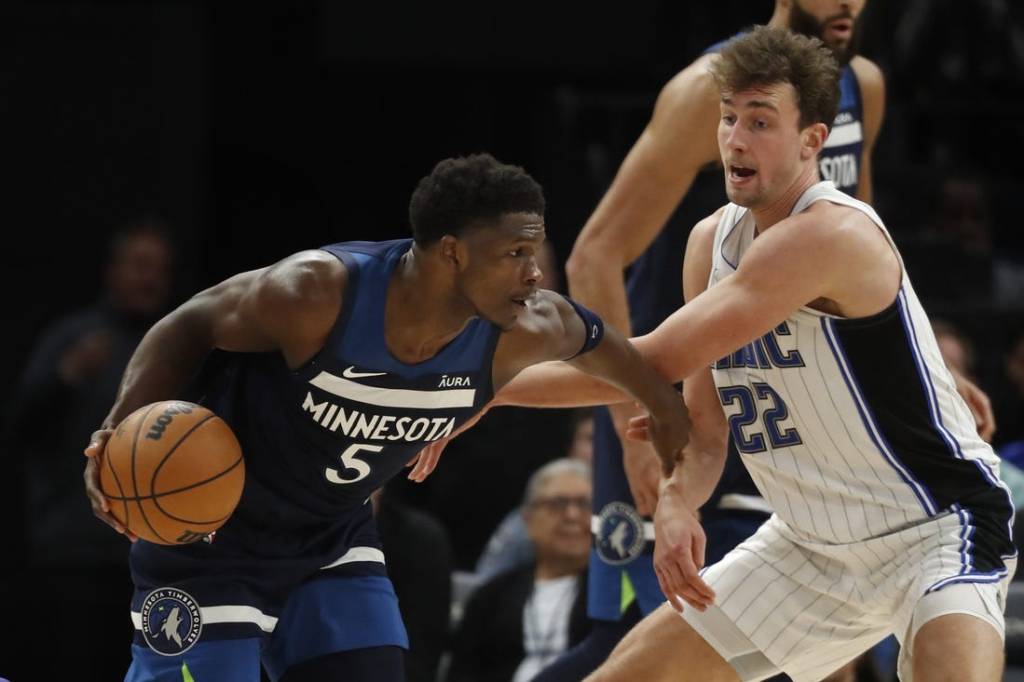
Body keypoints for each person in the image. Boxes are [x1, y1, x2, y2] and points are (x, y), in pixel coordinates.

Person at [490, 27, 1014, 681]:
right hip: (811, 544)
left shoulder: (828, 234)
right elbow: (707, 432)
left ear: (812, 141)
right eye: (729, 118)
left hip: (935, 527)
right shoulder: (710, 244)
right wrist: (680, 498)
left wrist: (475, 385)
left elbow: (647, 363)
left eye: (760, 122)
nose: (736, 139)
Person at [81, 153, 690, 682]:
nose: (534, 273)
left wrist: (666, 422)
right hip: (212, 537)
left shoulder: (533, 325)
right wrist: (117, 431)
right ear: (451, 253)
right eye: (516, 253)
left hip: (331, 536)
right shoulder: (317, 294)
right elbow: (186, 324)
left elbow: (622, 357)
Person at [3, 220, 175, 682]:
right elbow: (20, 425)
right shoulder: (75, 337)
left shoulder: (175, 347)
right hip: (73, 551)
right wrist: (66, 375)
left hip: (151, 553)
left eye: (158, 268)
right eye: (139, 265)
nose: (149, 278)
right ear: (113, 270)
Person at [448, 459, 593, 682]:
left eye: (585, 504)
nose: (572, 515)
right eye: (558, 503)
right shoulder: (492, 596)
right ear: (527, 518)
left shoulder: (614, 592)